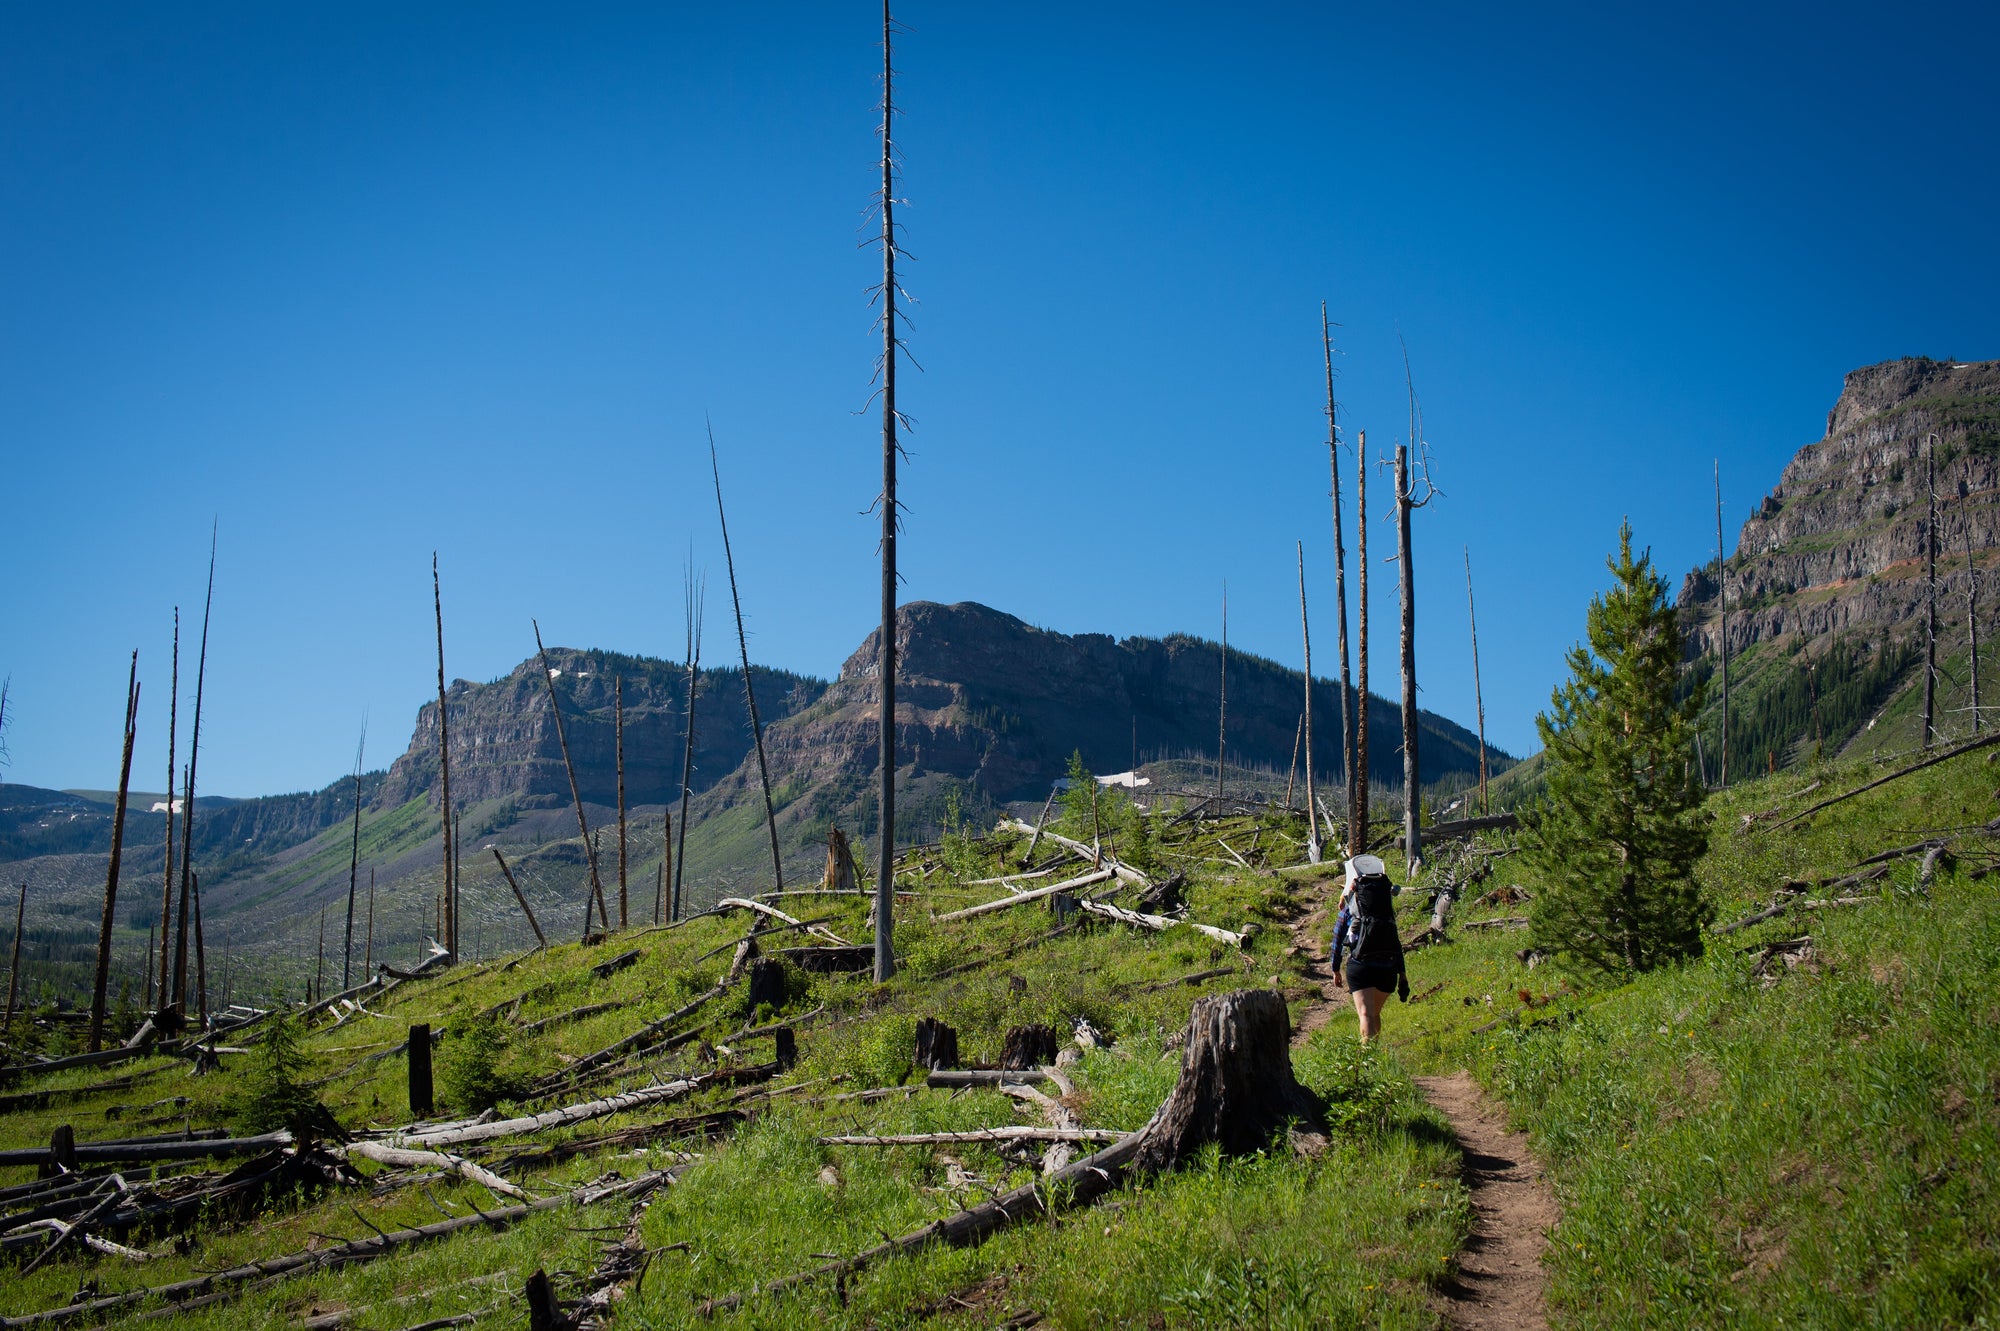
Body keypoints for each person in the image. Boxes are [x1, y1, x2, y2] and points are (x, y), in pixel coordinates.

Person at [1328, 854, 1409, 1041]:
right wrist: (1402, 973)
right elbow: (1395, 940)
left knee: (1365, 1014)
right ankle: (1376, 1052)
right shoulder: (1385, 907)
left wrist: (1335, 968)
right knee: (1374, 1014)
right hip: (1388, 967)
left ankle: (1367, 1057)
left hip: (1360, 964)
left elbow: (1338, 937)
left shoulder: (1350, 908)